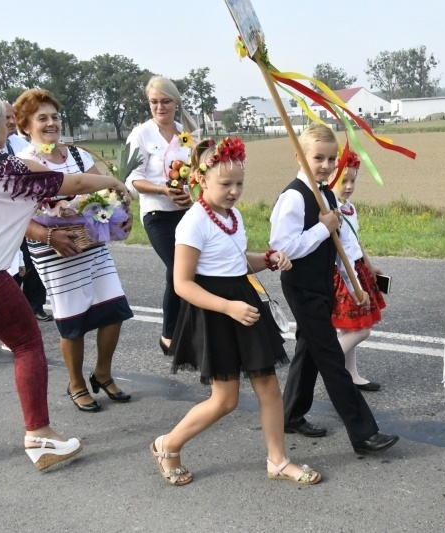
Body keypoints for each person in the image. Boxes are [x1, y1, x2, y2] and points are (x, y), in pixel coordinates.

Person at [0, 91, 128, 470]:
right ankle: (40, 435)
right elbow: (72, 185)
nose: (8, 127)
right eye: (4, 120)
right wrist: (113, 180)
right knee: (27, 343)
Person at [151, 137, 320, 487]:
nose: (233, 191)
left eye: (239, 184)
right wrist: (228, 307)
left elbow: (236, 261)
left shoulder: (233, 216)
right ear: (201, 180)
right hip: (216, 311)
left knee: (269, 388)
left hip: (244, 302)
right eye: (225, 184)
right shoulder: (192, 223)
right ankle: (168, 444)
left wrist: (269, 259)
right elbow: (183, 283)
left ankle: (278, 460)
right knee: (225, 400)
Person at [269, 124, 399, 454]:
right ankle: (363, 433)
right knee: (330, 358)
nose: (326, 165)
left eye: (331, 159)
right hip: (301, 286)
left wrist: (355, 282)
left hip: (325, 282)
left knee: (309, 349)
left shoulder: (326, 193)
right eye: (318, 158)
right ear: (299, 156)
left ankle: (291, 414)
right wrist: (321, 229)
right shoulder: (293, 198)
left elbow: (340, 244)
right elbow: (281, 249)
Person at [15, 89, 134, 413]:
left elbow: (105, 191)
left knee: (115, 311)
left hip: (91, 243)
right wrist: (48, 235)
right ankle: (76, 383)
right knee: (73, 322)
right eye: (43, 118)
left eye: (54, 116)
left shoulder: (78, 156)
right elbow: (16, 215)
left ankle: (103, 373)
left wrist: (121, 215)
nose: (51, 123)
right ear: (25, 125)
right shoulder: (25, 162)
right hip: (55, 251)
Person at [125, 76, 196, 356]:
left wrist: (193, 190)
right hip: (157, 214)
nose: (159, 107)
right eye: (154, 101)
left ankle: (171, 336)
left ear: (175, 102)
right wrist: (163, 190)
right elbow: (132, 180)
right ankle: (182, 333)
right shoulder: (141, 134)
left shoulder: (186, 132)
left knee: (177, 273)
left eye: (165, 101)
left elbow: (198, 170)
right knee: (183, 271)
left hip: (187, 213)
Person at [331, 150, 386, 391]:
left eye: (353, 180)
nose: (349, 186)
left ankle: (350, 374)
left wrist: (369, 263)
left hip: (356, 268)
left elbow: (356, 240)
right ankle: (327, 362)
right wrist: (351, 281)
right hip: (343, 274)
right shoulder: (331, 209)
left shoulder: (349, 207)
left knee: (349, 328)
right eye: (344, 181)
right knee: (361, 329)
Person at [4, 101, 52, 322]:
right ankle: (7, 315)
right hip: (8, 217)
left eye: (12, 116)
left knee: (33, 262)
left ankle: (36, 306)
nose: (10, 121)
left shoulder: (19, 143)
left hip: (30, 214)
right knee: (13, 265)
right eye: (4, 117)